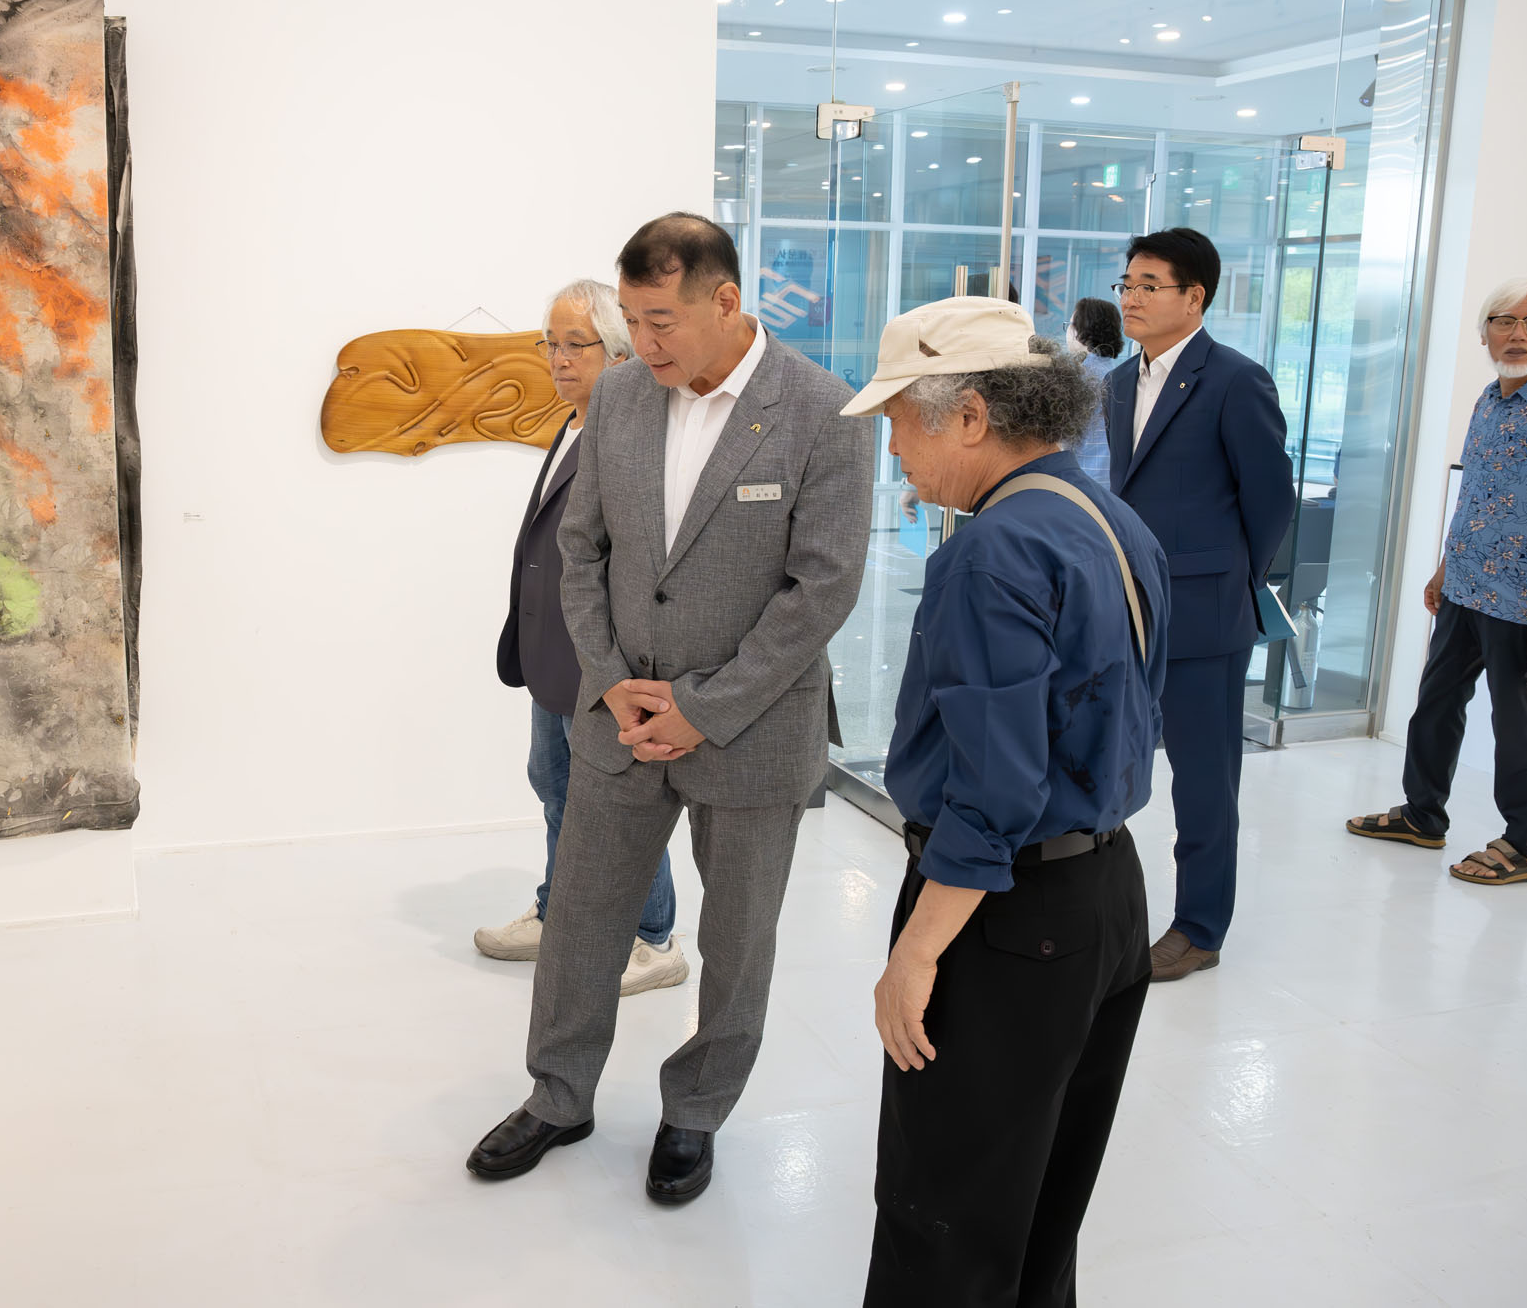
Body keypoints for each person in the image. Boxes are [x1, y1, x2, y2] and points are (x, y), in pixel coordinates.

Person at [467, 213, 873, 1203]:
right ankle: (558, 1094)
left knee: (736, 941)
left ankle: (695, 1112)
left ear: (724, 302)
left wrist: (702, 706)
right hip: (619, 717)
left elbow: (821, 589)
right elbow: (582, 550)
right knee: (582, 919)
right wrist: (609, 677)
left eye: (659, 321)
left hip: (751, 729)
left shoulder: (823, 409)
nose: (640, 341)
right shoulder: (619, 396)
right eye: (632, 319)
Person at [843, 297, 1169, 1307]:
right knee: (1042, 1203)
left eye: (902, 420)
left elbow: (993, 793)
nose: (894, 448)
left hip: (1006, 916)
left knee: (944, 1218)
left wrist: (916, 952)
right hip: (1107, 899)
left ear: (972, 414)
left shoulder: (991, 552)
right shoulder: (1113, 521)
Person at [484, 280, 688, 993]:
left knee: (621, 802)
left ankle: (652, 937)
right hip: (552, 652)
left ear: (621, 352)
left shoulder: (634, 437)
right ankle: (560, 913)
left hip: (601, 661)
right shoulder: (573, 423)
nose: (559, 358)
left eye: (577, 344)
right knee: (556, 785)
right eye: (551, 343)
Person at [1106, 228, 1293, 982]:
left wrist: (1231, 581)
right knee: (1114, 759)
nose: (1131, 297)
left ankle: (1200, 927)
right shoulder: (1121, 382)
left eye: (1149, 285)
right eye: (1126, 284)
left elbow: (1270, 503)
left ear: (1195, 297)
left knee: (1205, 782)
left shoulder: (1235, 381)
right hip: (1132, 608)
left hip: (1206, 617)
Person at [1348, 278, 1527, 884]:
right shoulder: (1489, 399)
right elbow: (1477, 493)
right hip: (1465, 585)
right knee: (1435, 702)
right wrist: (1443, 565)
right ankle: (1422, 814)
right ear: (1484, 334)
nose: (1517, 333)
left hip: (1524, 599)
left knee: (1516, 723)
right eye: (1503, 320)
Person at [1066, 296, 1124, 485]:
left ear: (1082, 331)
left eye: (1070, 325)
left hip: (1080, 481)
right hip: (1110, 483)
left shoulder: (1080, 378)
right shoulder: (1121, 374)